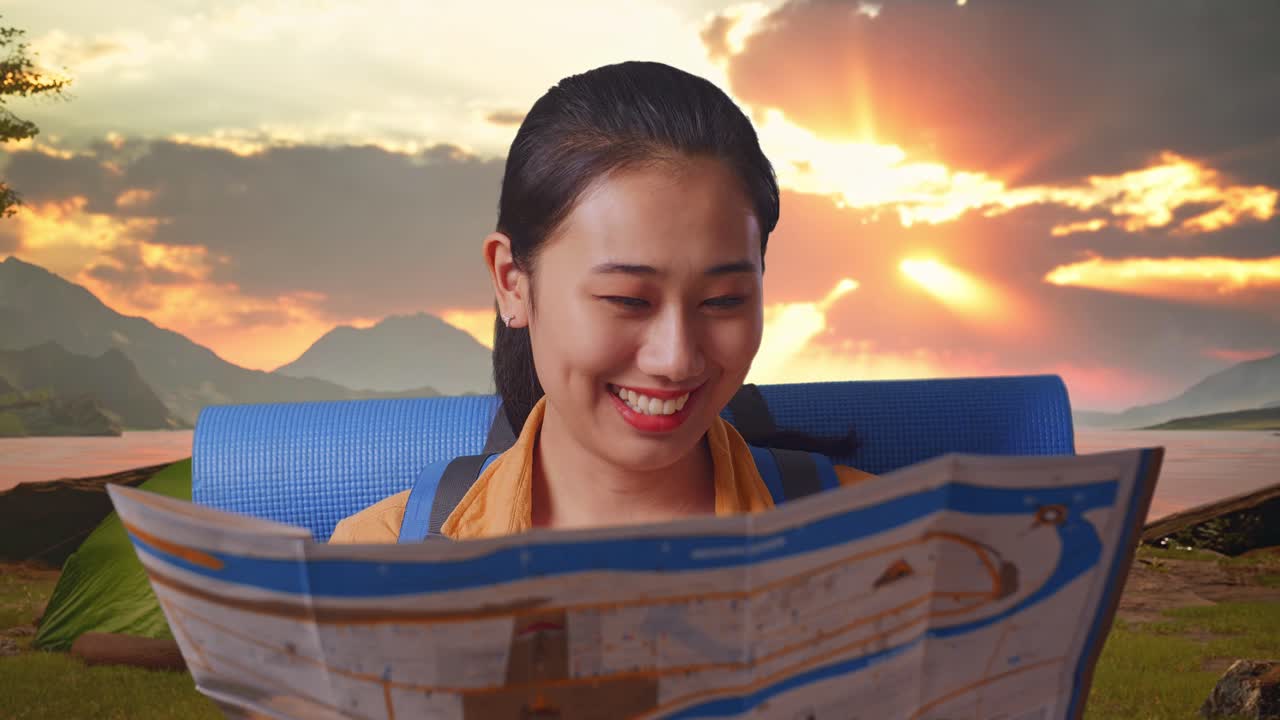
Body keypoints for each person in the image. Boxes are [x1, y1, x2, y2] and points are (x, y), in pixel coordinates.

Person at [329, 60, 874, 544]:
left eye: (723, 300)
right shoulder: (376, 555)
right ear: (511, 282)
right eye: (627, 300)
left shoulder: (882, 543)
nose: (676, 359)